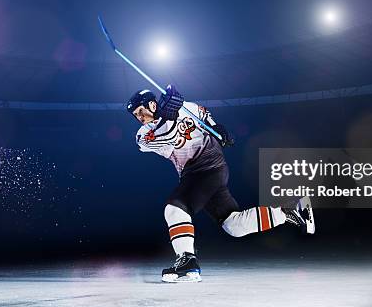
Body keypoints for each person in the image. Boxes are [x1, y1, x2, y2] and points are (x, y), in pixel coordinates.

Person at [126, 85, 314, 283]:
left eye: (140, 111)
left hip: (208, 167)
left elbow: (204, 114)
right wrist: (169, 115)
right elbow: (169, 138)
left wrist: (217, 128)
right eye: (135, 115)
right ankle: (290, 211)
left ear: (152, 104)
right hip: (197, 174)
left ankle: (187, 261)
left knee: (175, 209)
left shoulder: (185, 107)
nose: (139, 117)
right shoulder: (143, 136)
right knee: (233, 225)